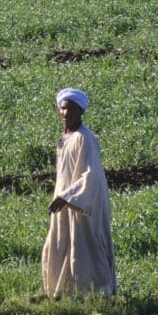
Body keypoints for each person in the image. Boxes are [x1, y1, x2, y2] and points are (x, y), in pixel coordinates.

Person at [41, 88, 117, 298]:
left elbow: (90, 175)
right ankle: (64, 293)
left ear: (81, 111)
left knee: (85, 247)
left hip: (84, 204)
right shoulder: (65, 138)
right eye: (63, 109)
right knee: (61, 243)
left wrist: (67, 196)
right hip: (66, 201)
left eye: (71, 109)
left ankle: (95, 294)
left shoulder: (85, 138)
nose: (66, 113)